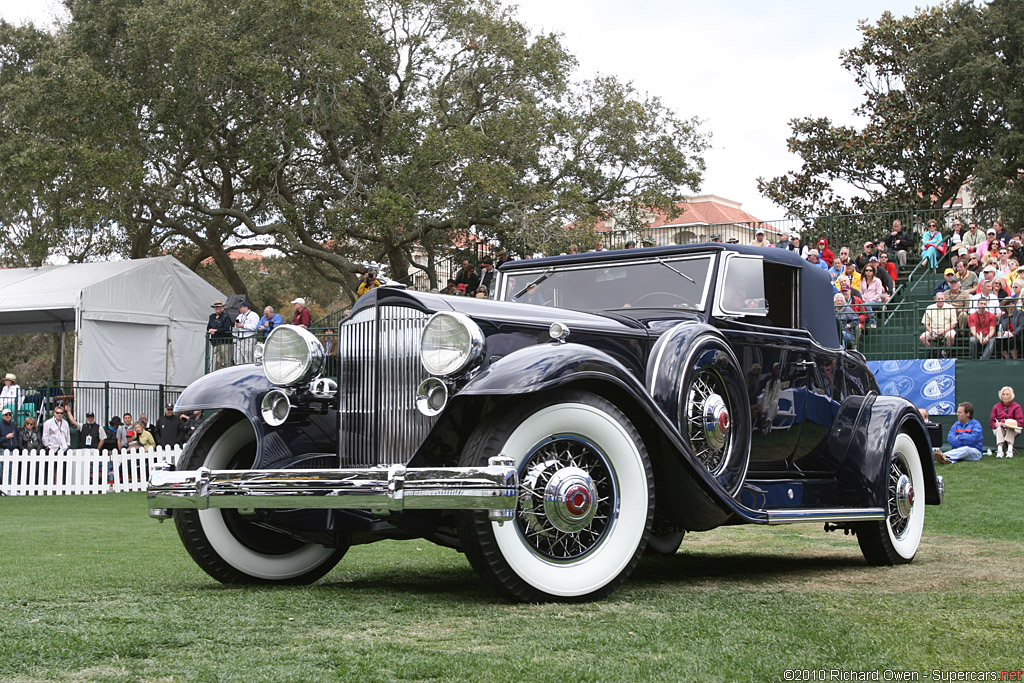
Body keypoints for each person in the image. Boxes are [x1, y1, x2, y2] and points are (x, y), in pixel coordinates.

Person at [990, 386, 1023, 458]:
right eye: (1003, 394)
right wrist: (996, 424)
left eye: (1007, 394)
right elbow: (992, 422)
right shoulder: (996, 407)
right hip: (1000, 429)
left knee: (1010, 428)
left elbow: (1020, 422)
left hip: (1014, 429)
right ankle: (999, 450)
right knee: (999, 428)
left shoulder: (1017, 407)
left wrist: (1009, 423)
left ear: (1011, 395)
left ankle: (1010, 450)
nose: (1005, 396)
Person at [859, 263, 888, 328]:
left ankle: (872, 322)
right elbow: (861, 292)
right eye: (867, 270)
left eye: (870, 270)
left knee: (867, 305)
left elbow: (879, 294)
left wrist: (870, 300)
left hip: (876, 301)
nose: (868, 272)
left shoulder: (877, 281)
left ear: (873, 272)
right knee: (864, 305)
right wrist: (864, 299)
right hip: (865, 301)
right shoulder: (862, 281)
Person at [207, 300, 233, 370]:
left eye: (218, 307)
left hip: (225, 342)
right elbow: (208, 327)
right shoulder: (212, 317)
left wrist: (216, 330)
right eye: (215, 307)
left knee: (226, 361)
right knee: (217, 361)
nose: (217, 308)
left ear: (221, 308)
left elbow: (226, 328)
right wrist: (210, 331)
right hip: (216, 342)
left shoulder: (225, 317)